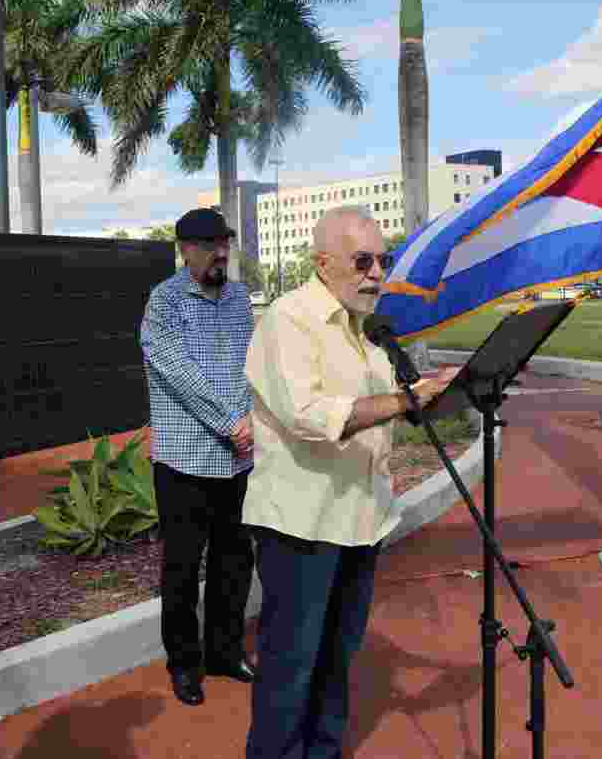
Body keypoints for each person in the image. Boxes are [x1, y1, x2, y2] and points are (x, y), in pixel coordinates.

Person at [243, 206, 457, 758]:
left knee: (337, 661)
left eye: (382, 261)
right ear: (323, 262)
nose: (376, 274)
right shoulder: (288, 320)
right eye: (363, 261)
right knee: (291, 669)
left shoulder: (369, 330)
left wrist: (443, 391)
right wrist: (402, 401)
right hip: (302, 523)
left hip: (362, 517)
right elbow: (308, 415)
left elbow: (388, 409)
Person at [140, 207, 257, 707]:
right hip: (185, 462)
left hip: (238, 460)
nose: (221, 253)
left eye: (225, 243)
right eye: (210, 245)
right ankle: (184, 664)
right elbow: (177, 373)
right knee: (183, 569)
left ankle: (225, 652)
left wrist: (253, 418)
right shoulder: (163, 302)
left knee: (235, 561)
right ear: (185, 249)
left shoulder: (238, 300)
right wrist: (230, 422)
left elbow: (255, 363)